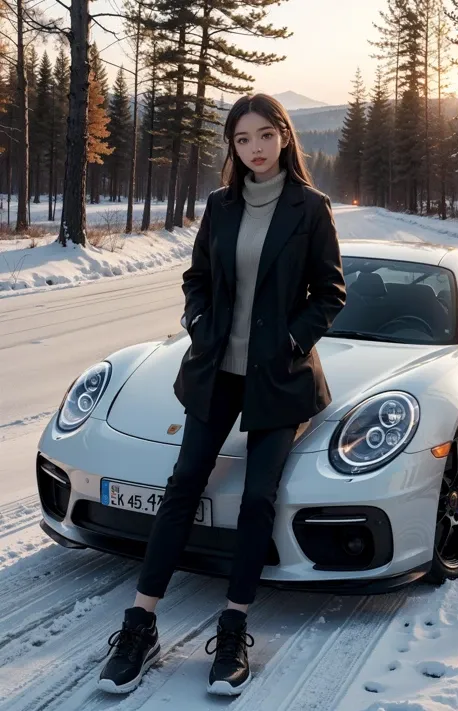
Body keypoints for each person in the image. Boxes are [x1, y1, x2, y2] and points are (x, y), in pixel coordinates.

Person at [98, 93, 346, 697]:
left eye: (265, 135)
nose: (254, 148)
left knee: (258, 497)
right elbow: (198, 279)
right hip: (215, 371)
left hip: (279, 376)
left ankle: (233, 627)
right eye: (242, 139)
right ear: (232, 147)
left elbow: (330, 292)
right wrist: (200, 324)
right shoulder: (220, 205)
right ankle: (140, 623)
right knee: (183, 487)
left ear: (284, 137)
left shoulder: (310, 208)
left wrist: (291, 339)